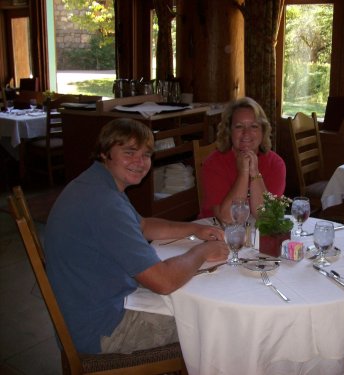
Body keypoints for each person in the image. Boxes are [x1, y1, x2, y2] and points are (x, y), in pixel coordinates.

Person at [44, 118, 229, 354]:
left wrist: (194, 229)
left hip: (90, 305)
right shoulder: (105, 205)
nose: (140, 162)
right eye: (129, 152)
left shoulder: (96, 183)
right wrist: (201, 251)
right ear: (104, 152)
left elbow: (142, 225)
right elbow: (163, 281)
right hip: (103, 328)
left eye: (146, 155)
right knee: (214, 323)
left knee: (194, 300)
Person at [199, 97, 286, 223]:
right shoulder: (213, 164)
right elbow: (228, 218)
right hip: (214, 231)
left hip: (256, 234)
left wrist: (255, 173)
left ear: (263, 131)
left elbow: (266, 217)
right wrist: (244, 173)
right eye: (239, 126)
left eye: (254, 126)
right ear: (229, 131)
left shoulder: (276, 164)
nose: (246, 133)